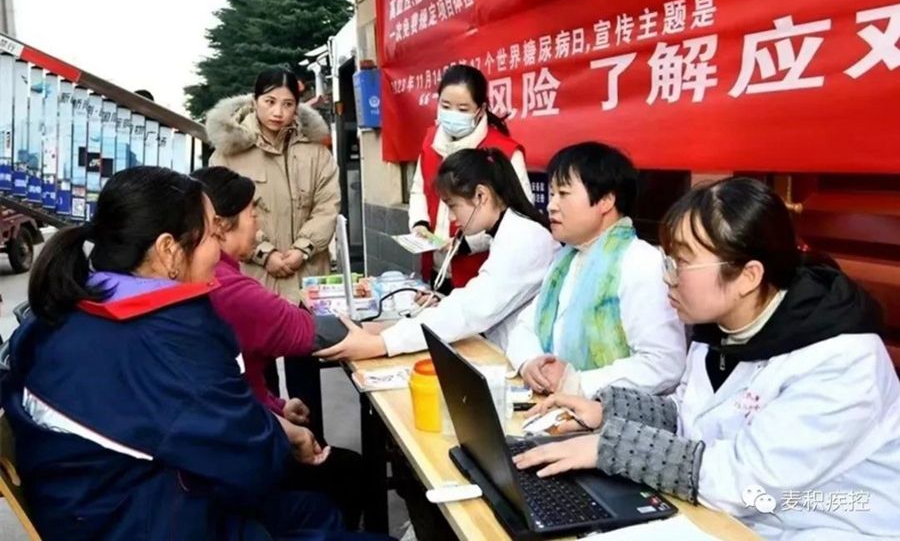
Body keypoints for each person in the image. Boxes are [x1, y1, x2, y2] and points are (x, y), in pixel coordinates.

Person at [0, 167, 382, 540]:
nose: (219, 249)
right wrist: (279, 434)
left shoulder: (68, 307)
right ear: (168, 250)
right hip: (148, 518)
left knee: (313, 510)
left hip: (103, 504)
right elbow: (250, 463)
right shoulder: (169, 341)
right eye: (212, 234)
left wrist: (274, 426)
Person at [513, 177, 900, 541]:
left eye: (680, 263)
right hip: (730, 517)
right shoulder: (720, 328)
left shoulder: (840, 360)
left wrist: (610, 448)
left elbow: (744, 482)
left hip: (831, 525)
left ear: (747, 276)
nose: (667, 277)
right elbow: (692, 416)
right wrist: (607, 412)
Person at [193, 166, 364, 529]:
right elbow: (314, 332)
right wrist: (394, 332)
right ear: (219, 225)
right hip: (241, 451)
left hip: (240, 430)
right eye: (252, 214)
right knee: (350, 473)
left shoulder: (219, 277)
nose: (258, 226)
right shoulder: (228, 288)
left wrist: (276, 406)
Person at [315, 148, 559, 361]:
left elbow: (471, 311)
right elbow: (475, 302)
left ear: (481, 196)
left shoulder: (525, 239)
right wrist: (390, 330)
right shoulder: (510, 232)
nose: (451, 218)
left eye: (452, 205)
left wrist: (382, 343)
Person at [206, 67, 340, 440]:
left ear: (298, 106)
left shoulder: (315, 151)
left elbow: (328, 206)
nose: (278, 112)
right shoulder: (228, 154)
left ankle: (313, 445)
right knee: (256, 375)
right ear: (254, 102)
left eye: (287, 104)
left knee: (306, 369)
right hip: (253, 279)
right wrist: (266, 254)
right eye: (269, 102)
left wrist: (301, 250)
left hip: (305, 277)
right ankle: (274, 445)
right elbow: (221, 214)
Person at [505, 142, 686, 398]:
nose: (551, 205)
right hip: (555, 403)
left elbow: (664, 363)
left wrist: (578, 383)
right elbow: (526, 327)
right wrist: (530, 362)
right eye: (552, 193)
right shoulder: (566, 259)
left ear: (605, 201)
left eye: (563, 193)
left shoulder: (640, 262)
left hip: (608, 413)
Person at [409, 64, 533, 294]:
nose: (452, 113)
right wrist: (420, 224)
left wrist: (467, 244)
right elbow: (419, 189)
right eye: (446, 106)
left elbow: (518, 215)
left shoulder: (503, 152)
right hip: (437, 267)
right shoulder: (431, 141)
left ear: (480, 109)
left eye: (462, 108)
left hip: (480, 274)